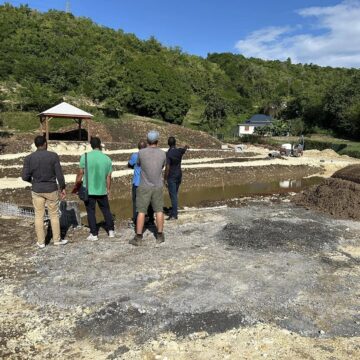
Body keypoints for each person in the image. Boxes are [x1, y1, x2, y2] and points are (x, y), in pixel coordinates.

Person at [22, 135, 67, 248]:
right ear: (45, 144)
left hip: (37, 189)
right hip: (51, 189)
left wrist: (32, 182)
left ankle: (41, 242)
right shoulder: (53, 156)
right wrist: (62, 188)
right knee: (54, 215)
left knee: (38, 215)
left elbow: (24, 176)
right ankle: (57, 240)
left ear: (36, 145)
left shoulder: (29, 158)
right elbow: (59, 175)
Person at [130, 130, 166, 246]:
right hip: (157, 185)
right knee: (159, 210)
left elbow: (139, 165)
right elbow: (162, 166)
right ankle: (160, 236)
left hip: (144, 186)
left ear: (147, 140)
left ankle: (138, 237)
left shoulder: (141, 153)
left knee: (141, 211)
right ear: (157, 141)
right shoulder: (162, 153)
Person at [75, 137, 115, 241]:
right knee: (106, 210)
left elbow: (80, 173)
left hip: (89, 189)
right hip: (102, 189)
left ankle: (94, 234)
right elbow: (108, 177)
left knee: (91, 211)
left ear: (91, 145)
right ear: (100, 145)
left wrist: (77, 186)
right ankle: (111, 231)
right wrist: (108, 189)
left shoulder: (85, 156)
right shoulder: (107, 159)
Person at [164, 136, 189, 220]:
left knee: (173, 195)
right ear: (175, 143)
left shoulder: (168, 153)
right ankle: (174, 210)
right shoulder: (179, 151)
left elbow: (167, 167)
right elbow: (184, 150)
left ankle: (174, 214)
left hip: (172, 176)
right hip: (179, 175)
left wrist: (165, 178)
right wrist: (186, 146)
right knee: (175, 194)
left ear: (168, 144)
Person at [128, 140, 147, 226]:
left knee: (136, 203)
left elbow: (130, 165)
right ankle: (149, 220)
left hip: (137, 183)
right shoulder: (149, 156)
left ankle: (136, 221)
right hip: (147, 183)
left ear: (138, 147)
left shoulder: (135, 155)